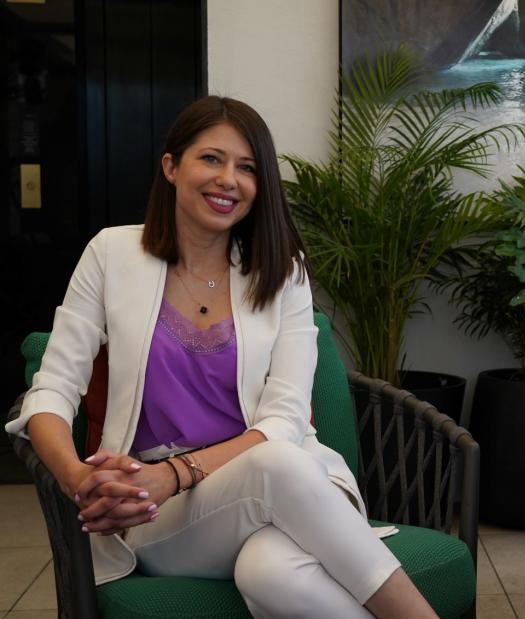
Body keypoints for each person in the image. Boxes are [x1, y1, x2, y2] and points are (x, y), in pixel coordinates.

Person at [5, 96, 437, 618]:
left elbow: (284, 419)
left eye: (247, 168)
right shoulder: (111, 254)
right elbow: (53, 388)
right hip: (161, 513)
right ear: (171, 166)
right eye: (211, 158)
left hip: (286, 481)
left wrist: (177, 472)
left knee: (271, 572)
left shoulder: (283, 271)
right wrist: (79, 481)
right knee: (276, 468)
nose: (228, 179)